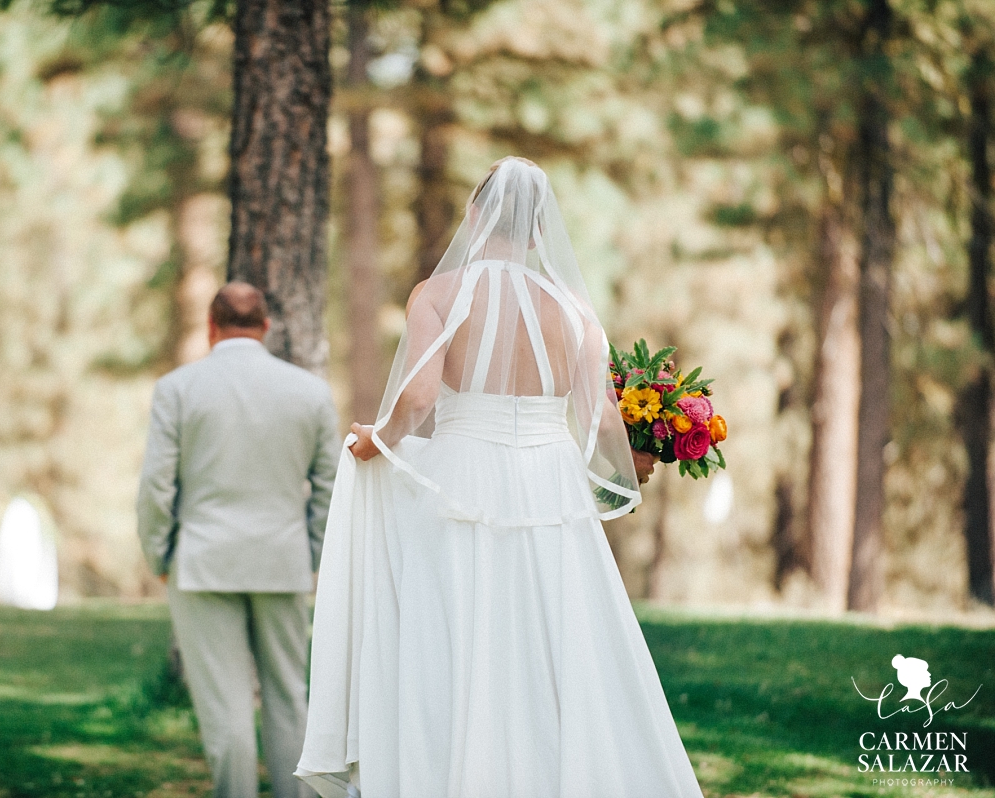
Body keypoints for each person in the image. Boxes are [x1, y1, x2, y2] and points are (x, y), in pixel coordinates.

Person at [295, 158, 702, 797]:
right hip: (549, 485)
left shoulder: (438, 294)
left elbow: (421, 395)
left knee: (453, 639)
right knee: (557, 639)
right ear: (541, 232)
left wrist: (381, 440)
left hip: (463, 479)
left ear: (476, 215)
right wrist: (636, 463)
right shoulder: (575, 314)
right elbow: (597, 419)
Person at [137, 282, 339, 798]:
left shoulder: (178, 388)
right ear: (266, 327)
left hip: (203, 563)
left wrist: (160, 553)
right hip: (282, 560)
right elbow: (331, 487)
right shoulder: (311, 393)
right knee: (289, 700)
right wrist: (313, 554)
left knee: (224, 708)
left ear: (211, 326)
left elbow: (156, 486)